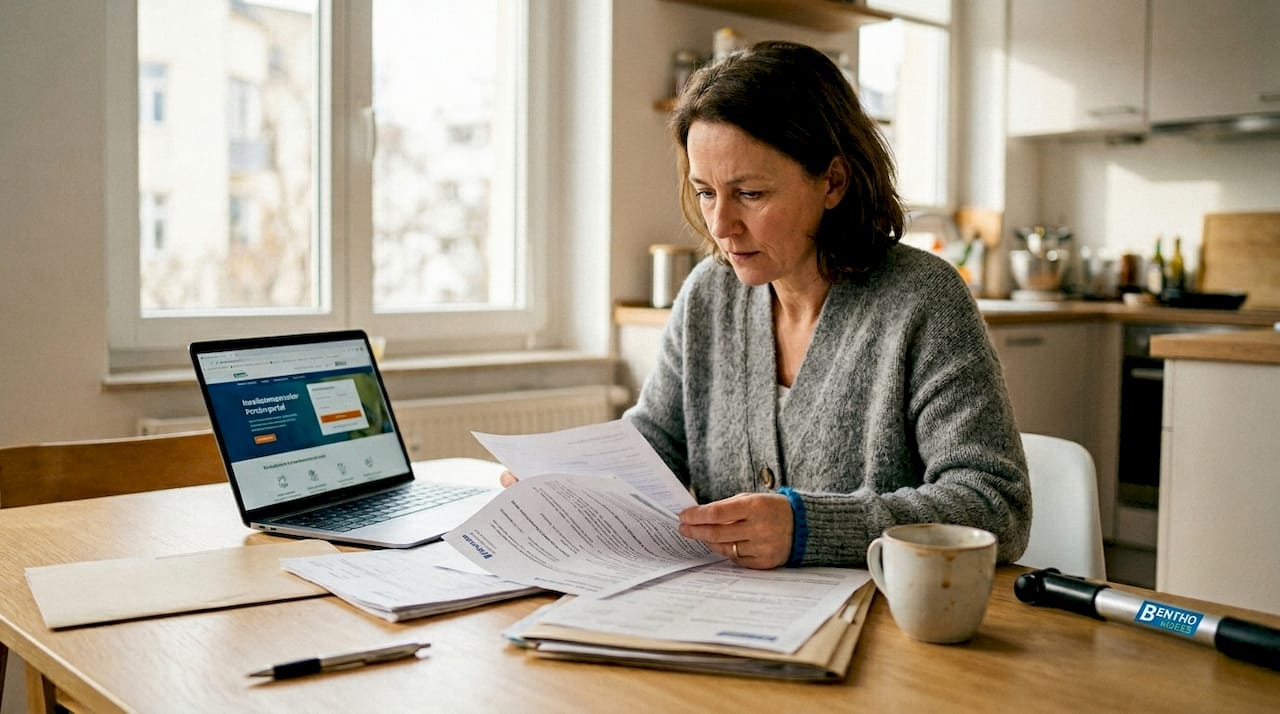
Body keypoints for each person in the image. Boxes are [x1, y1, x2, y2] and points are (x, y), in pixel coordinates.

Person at [504, 40, 1031, 570]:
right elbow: (653, 446)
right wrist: (565, 485)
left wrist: (808, 527)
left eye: (750, 194)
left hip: (885, 629)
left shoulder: (923, 300)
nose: (720, 225)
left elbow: (996, 506)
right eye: (706, 192)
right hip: (729, 623)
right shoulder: (708, 296)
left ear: (833, 181)